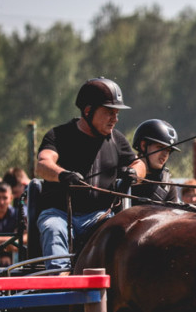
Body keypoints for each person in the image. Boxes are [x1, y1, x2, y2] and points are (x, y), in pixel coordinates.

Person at [35, 77, 145, 270]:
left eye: (117, 113)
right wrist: (63, 175)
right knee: (52, 228)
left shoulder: (117, 140)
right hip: (60, 215)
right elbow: (43, 164)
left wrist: (133, 173)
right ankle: (61, 283)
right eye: (109, 112)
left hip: (100, 217)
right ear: (88, 111)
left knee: (123, 230)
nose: (115, 119)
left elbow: (139, 163)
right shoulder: (58, 135)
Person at [130, 119, 181, 203]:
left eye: (168, 150)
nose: (165, 154)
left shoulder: (168, 187)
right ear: (143, 146)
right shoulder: (123, 176)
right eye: (160, 147)